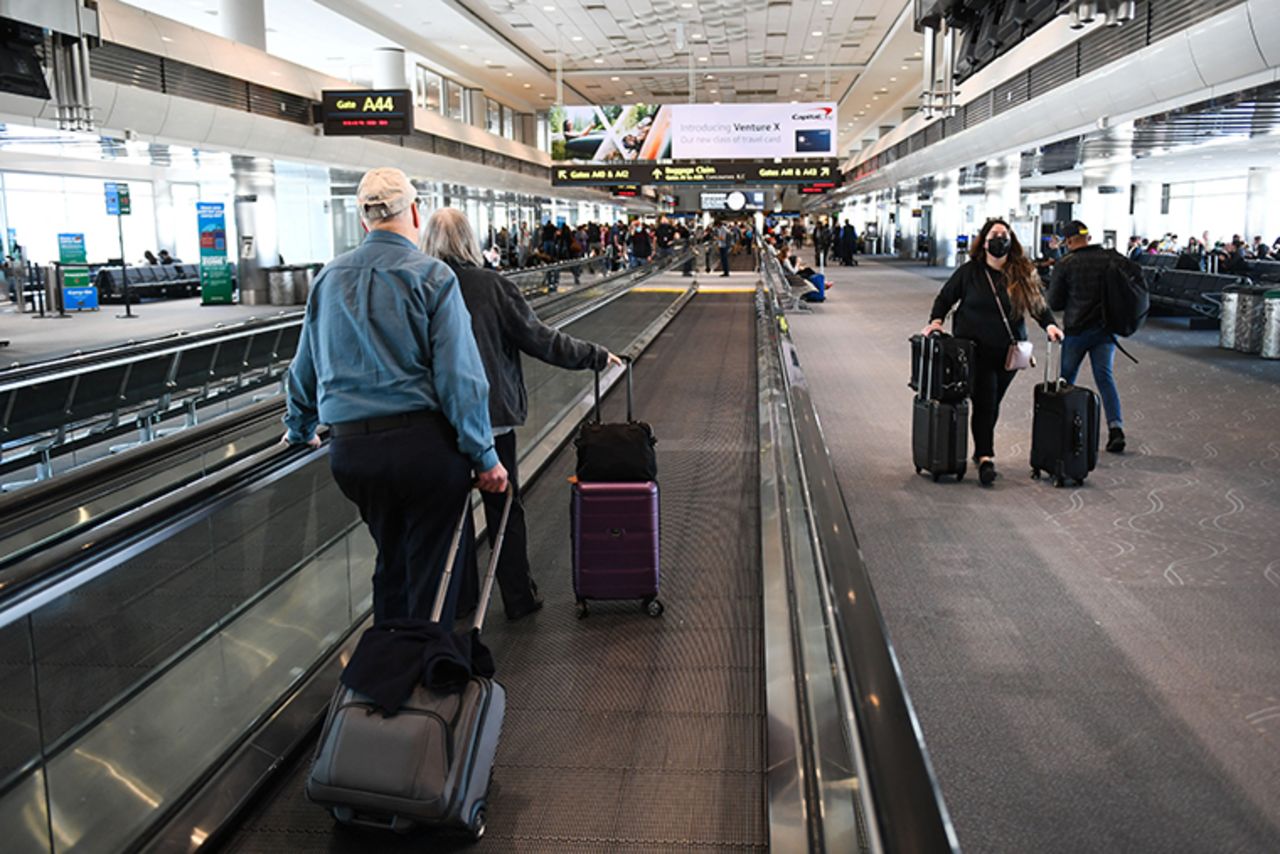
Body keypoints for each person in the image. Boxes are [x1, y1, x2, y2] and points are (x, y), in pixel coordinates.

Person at [283, 167, 507, 626]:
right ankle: (429, 679)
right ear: (415, 212)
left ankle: (385, 674)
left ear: (363, 220)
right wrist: (484, 455)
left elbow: (304, 370)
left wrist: (299, 429)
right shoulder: (432, 276)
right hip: (423, 450)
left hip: (352, 454)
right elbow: (459, 378)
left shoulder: (328, 278)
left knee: (391, 563)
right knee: (433, 573)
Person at [422, 207, 622, 620]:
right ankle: (517, 597)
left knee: (448, 516)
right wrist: (595, 356)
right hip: (492, 420)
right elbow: (540, 340)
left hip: (435, 423)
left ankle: (459, 603)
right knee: (504, 509)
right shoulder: (492, 286)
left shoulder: (417, 286)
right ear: (469, 241)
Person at [923, 219, 1064, 486]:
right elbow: (945, 297)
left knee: (993, 402)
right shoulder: (969, 272)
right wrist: (936, 321)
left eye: (1004, 235)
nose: (999, 240)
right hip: (975, 350)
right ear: (984, 242)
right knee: (986, 400)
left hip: (1009, 352)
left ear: (1011, 241)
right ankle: (986, 457)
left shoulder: (1021, 272)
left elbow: (1038, 305)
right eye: (994, 235)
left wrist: (1050, 326)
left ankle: (980, 448)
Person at [1047, 220, 1140, 455]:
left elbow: (1055, 302)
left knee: (1065, 379)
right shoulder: (1111, 258)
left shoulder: (1066, 263)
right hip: (1105, 330)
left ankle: (1060, 429)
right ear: (1087, 237)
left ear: (1068, 242)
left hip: (1077, 330)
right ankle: (1115, 428)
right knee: (1105, 378)